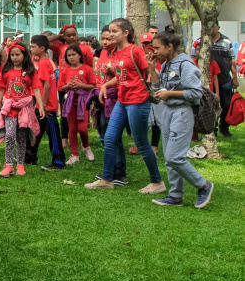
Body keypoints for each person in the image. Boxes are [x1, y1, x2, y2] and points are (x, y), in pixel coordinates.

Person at [86, 18, 165, 193]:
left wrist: (152, 72)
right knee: (110, 138)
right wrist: (107, 83)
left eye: (115, 32)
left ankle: (157, 182)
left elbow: (148, 72)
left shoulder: (135, 51)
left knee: (141, 142)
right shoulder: (116, 53)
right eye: (110, 32)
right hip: (122, 100)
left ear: (125, 33)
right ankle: (107, 179)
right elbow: (123, 77)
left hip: (138, 101)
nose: (111, 35)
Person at [146, 32, 214, 208]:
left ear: (170, 47)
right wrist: (152, 70)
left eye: (158, 48)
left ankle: (204, 185)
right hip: (168, 112)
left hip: (182, 113)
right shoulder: (167, 64)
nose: (155, 51)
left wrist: (170, 94)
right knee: (169, 158)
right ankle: (175, 196)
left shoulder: (185, 64)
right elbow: (157, 89)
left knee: (174, 156)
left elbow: (196, 93)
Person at [0, 43, 45, 177]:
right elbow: (1, 89)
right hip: (10, 108)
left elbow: (37, 88)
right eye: (12, 55)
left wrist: (40, 105)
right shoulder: (6, 70)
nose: (15, 58)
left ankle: (20, 164)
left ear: (24, 55)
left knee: (21, 137)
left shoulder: (30, 71)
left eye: (18, 55)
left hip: (24, 109)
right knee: (10, 135)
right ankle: (9, 164)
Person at [27, 35, 66, 170]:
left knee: (53, 134)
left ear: (42, 48)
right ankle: (29, 157)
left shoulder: (44, 63)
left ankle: (59, 161)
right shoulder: (47, 61)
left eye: (33, 47)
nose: (31, 49)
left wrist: (42, 105)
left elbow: (47, 85)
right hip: (44, 105)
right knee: (36, 131)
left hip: (47, 106)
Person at [58, 44, 96, 164]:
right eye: (68, 55)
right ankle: (74, 155)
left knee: (82, 128)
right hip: (70, 101)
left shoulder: (87, 69)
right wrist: (68, 86)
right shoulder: (65, 71)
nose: (71, 57)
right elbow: (61, 87)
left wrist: (81, 86)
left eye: (73, 54)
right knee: (72, 128)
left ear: (80, 55)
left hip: (83, 101)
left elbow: (93, 86)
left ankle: (86, 146)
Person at [208, 24, 238, 137]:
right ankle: (212, 128)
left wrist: (234, 78)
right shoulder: (202, 41)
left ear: (218, 28)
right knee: (211, 106)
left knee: (226, 104)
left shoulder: (227, 41)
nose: (212, 28)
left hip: (225, 79)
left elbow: (232, 61)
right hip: (210, 81)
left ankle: (224, 127)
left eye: (214, 26)